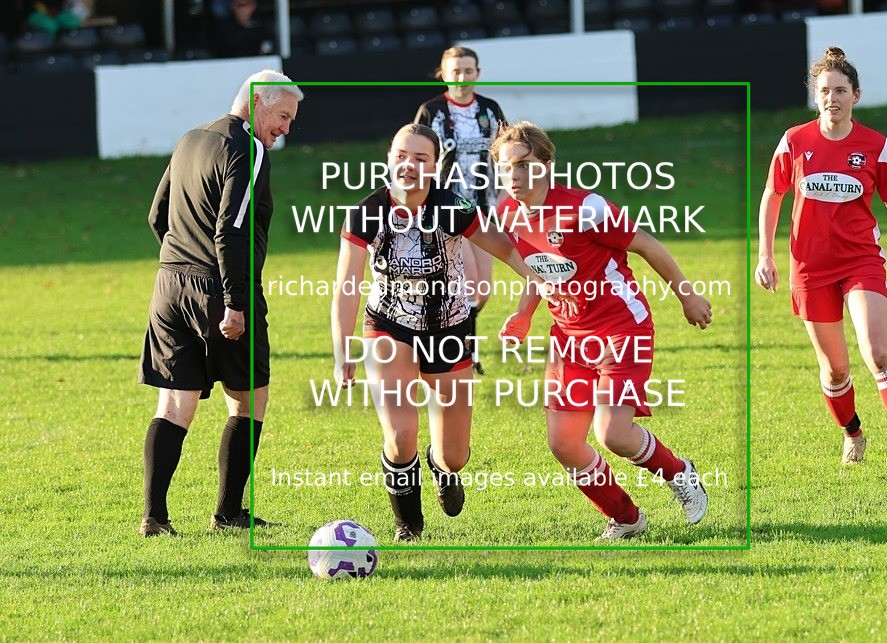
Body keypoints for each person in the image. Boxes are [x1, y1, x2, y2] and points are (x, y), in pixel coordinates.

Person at [331, 123, 573, 542]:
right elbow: (347, 286)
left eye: (420, 158)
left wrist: (541, 282)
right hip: (389, 326)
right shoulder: (366, 212)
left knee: (454, 455)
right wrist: (342, 350)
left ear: (435, 166)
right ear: (390, 159)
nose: (409, 165)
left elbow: (507, 249)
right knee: (400, 434)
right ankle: (409, 526)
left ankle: (441, 468)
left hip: (450, 327)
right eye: (402, 155)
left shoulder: (452, 206)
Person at [493, 121, 713, 540]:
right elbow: (539, 270)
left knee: (613, 434)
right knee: (564, 444)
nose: (514, 176)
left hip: (620, 327)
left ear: (546, 164)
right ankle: (627, 519)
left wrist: (688, 297)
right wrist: (524, 315)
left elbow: (648, 245)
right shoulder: (507, 213)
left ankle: (679, 473)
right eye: (506, 168)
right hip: (568, 336)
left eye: (523, 165)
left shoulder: (585, 208)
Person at [755, 47, 887, 470]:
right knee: (836, 371)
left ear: (856, 95)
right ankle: (853, 434)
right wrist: (765, 253)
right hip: (809, 266)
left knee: (877, 351)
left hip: (861, 261)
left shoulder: (875, 145)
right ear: (815, 95)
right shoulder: (795, 140)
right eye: (824, 91)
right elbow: (773, 195)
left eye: (840, 90)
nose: (832, 98)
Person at [137, 69, 303, 536]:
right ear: (258, 101)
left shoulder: (190, 138)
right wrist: (234, 301)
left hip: (170, 284)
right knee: (250, 400)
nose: (287, 128)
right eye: (284, 115)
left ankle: (155, 518)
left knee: (173, 404)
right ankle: (228, 513)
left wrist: (179, 264)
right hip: (221, 289)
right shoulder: (246, 149)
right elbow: (231, 230)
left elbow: (157, 213)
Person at [414, 47, 507, 372]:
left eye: (468, 71)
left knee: (482, 291)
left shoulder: (490, 109)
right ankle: (464, 355)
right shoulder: (431, 111)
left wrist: (508, 196)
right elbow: (413, 154)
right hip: (446, 210)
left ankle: (453, 343)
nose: (462, 77)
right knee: (465, 286)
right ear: (444, 74)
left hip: (484, 208)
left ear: (477, 73)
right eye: (455, 71)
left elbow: (507, 156)